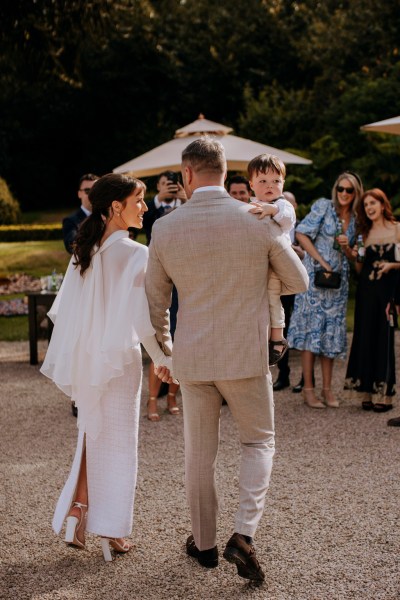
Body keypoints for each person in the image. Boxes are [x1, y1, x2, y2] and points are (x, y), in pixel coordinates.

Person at [145, 137, 308, 583]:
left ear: (187, 176)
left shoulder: (165, 228)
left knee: (199, 456)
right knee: (258, 443)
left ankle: (204, 545)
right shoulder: (257, 220)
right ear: (226, 170)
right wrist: (264, 271)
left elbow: (155, 305)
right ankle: (244, 534)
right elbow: (299, 280)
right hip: (246, 357)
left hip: (193, 360)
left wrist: (164, 353)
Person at [41, 174, 174, 562]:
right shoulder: (135, 253)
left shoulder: (86, 251)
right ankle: (111, 530)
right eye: (139, 200)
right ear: (116, 207)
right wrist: (163, 360)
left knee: (91, 437)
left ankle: (76, 512)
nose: (145, 208)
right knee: (119, 447)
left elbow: (69, 314)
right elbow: (141, 319)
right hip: (119, 362)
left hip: (89, 360)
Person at [287, 172, 362, 408]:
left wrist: (348, 249)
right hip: (315, 281)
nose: (344, 194)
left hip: (338, 284)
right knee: (312, 334)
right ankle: (308, 390)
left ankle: (328, 390)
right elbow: (301, 233)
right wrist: (322, 261)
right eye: (341, 189)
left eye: (349, 190)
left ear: (356, 193)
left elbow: (355, 255)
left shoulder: (357, 218)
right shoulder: (323, 206)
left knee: (330, 336)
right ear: (335, 189)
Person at [345, 189, 400, 413]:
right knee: (364, 337)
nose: (369, 208)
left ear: (382, 204)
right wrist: (352, 253)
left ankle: (384, 396)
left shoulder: (397, 229)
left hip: (388, 293)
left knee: (384, 339)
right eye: (366, 205)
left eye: (373, 203)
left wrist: (392, 266)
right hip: (366, 292)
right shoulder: (363, 234)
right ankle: (365, 392)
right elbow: (359, 268)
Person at [143, 171, 187, 421]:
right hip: (160, 280)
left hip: (183, 284)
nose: (171, 189)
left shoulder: (187, 205)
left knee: (180, 344)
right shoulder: (151, 209)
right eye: (164, 185)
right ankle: (152, 399)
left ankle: (171, 396)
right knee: (160, 341)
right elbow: (145, 227)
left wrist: (186, 200)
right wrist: (159, 199)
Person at [247, 154, 296, 365]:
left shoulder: (283, 205)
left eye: (276, 181)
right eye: (263, 181)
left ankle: (277, 337)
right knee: (255, 302)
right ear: (252, 184)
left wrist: (272, 209)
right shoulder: (248, 206)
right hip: (255, 264)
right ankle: (257, 335)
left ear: (283, 183)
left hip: (276, 265)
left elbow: (287, 219)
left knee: (274, 299)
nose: (270, 186)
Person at [271, 191, 305, 391]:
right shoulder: (274, 226)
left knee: (300, 329)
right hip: (280, 285)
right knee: (281, 327)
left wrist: (299, 251)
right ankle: (283, 374)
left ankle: (305, 378)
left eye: (289, 203)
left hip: (299, 286)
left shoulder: (305, 228)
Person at [142, 170, 187, 244]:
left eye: (170, 184)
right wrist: (158, 199)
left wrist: (186, 202)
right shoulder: (149, 206)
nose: (167, 187)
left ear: (178, 185)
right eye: (164, 184)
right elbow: (144, 222)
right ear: (158, 186)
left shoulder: (184, 204)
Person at [62, 173, 99, 254]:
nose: (92, 194)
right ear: (79, 194)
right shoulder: (70, 221)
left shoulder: (108, 217)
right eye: (87, 191)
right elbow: (72, 247)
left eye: (95, 190)